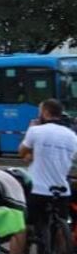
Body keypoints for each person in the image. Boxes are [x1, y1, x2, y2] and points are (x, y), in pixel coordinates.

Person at [20, 98, 77, 230]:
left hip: (37, 189)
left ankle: (19, 251)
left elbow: (22, 151)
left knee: (26, 225)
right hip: (62, 190)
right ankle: (64, 248)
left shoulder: (36, 130)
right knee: (61, 228)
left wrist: (30, 131)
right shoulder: (72, 136)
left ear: (45, 112)